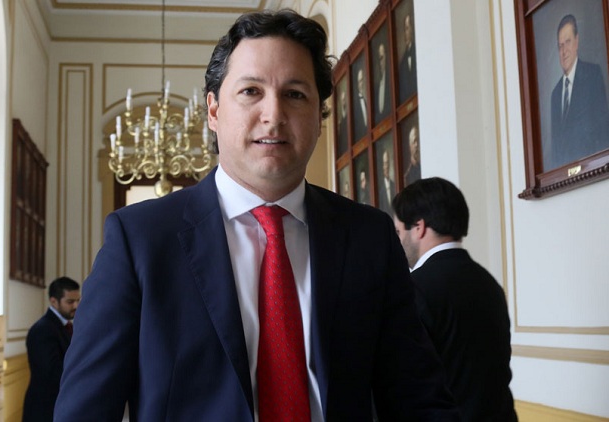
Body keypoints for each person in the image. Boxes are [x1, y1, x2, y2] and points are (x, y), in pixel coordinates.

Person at [54, 9, 458, 421]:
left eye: (295, 94)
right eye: (251, 91)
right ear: (213, 111)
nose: (273, 114)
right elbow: (84, 412)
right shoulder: (140, 239)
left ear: (320, 118)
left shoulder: (368, 236)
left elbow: (419, 398)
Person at [392, 177, 518, 421]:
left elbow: (405, 383)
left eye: (398, 231)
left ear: (419, 227)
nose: (398, 240)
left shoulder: (412, 288)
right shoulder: (489, 283)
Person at [549, 14, 609, 170]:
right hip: (565, 179)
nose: (564, 51)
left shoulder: (593, 75)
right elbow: (556, 150)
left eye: (568, 42)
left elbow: (603, 131)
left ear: (577, 42)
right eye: (560, 46)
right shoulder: (555, 94)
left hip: (595, 171)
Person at [22, 277, 80, 422]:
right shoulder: (42, 330)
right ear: (54, 301)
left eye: (78, 300)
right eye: (70, 302)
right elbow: (52, 373)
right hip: (45, 409)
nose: (76, 306)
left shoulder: (66, 327)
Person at [398, 13, 418, 102]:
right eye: (404, 30)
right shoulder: (402, 63)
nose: (405, 33)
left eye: (407, 28)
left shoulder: (418, 51)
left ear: (411, 29)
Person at [375, 41, 392, 121]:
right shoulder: (377, 87)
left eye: (382, 58)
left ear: (386, 57)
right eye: (379, 59)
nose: (380, 62)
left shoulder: (390, 80)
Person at [378, 148, 396, 214]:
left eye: (388, 163)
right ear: (382, 166)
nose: (387, 166)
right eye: (385, 163)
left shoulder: (394, 186)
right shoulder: (380, 192)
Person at [353, 67, 369, 141]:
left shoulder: (366, 101)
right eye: (359, 81)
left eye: (362, 80)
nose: (361, 84)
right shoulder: (355, 105)